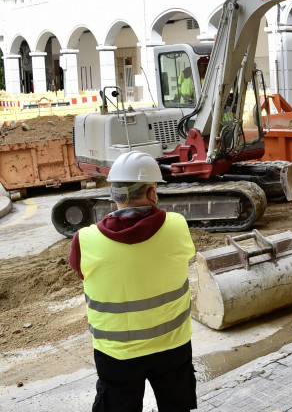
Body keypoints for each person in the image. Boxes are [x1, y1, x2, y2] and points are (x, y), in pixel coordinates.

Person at [68, 151, 197, 412]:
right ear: (151, 192)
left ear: (114, 192)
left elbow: (81, 271)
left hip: (117, 355)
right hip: (172, 346)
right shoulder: (176, 226)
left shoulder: (85, 240)